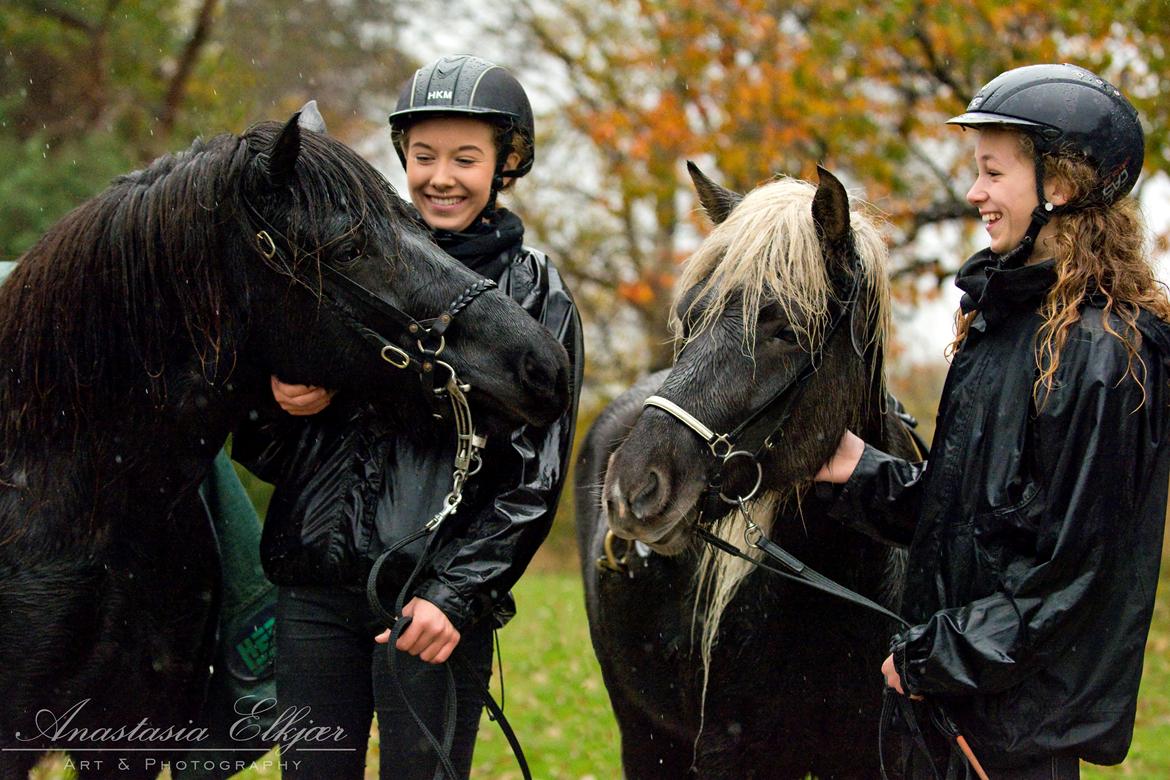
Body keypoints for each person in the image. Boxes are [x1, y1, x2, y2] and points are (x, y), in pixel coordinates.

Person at [814, 63, 1170, 779]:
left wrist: (931, 656)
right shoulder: (1002, 324)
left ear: (1059, 184)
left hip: (1013, 738)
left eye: (993, 172)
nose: (975, 192)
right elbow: (971, 522)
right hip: (945, 715)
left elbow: (1073, 578)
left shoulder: (1106, 352)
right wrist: (859, 471)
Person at [233, 54, 583, 779]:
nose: (440, 177)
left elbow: (534, 479)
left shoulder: (535, 294)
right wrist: (277, 401)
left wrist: (454, 595)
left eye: (464, 158)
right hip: (314, 595)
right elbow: (266, 452)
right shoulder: (344, 266)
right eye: (423, 156)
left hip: (432, 607)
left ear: (505, 163)